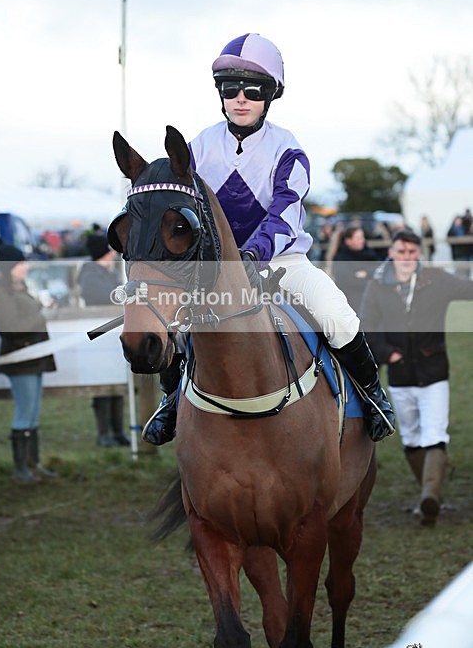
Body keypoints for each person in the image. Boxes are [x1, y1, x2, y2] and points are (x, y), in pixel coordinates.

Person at [142, 32, 394, 446]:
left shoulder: (288, 149)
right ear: (220, 94)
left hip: (281, 261)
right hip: (216, 267)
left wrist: (252, 254)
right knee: (174, 319)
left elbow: (285, 215)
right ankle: (172, 401)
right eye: (230, 89)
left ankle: (372, 396)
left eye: (253, 91)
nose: (241, 99)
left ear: (270, 95)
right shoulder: (198, 147)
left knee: (336, 313)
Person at [359, 228, 473, 526]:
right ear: (392, 253)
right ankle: (430, 495)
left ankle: (429, 499)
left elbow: (468, 289)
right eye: (401, 252)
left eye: (412, 252)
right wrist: (387, 353)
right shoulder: (377, 286)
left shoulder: (437, 279)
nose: (407, 257)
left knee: (435, 433)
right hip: (400, 376)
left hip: (434, 371)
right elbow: (367, 325)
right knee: (410, 436)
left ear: (419, 253)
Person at [0, 238, 57, 484]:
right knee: (24, 413)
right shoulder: (1, 295)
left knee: (32, 413)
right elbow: (11, 328)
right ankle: (21, 469)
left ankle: (32, 464)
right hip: (21, 361)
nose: (25, 266)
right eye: (20, 263)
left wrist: (40, 308)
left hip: (32, 358)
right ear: (9, 268)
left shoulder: (19, 290)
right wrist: (42, 314)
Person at [78, 233, 129, 447]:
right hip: (100, 335)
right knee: (103, 386)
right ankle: (104, 433)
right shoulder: (90, 275)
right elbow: (101, 296)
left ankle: (117, 431)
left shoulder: (107, 273)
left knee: (117, 383)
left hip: (112, 333)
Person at [330, 225, 379, 314]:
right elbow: (348, 281)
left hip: (373, 300)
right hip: (353, 302)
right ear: (348, 241)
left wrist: (367, 273)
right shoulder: (341, 258)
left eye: (362, 237)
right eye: (358, 238)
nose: (362, 240)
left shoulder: (369, 254)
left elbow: (380, 271)